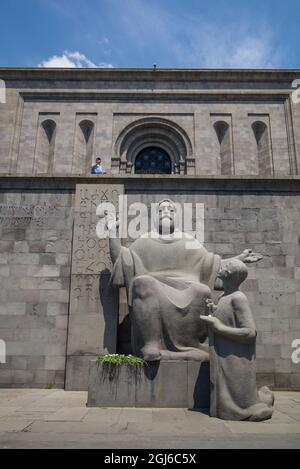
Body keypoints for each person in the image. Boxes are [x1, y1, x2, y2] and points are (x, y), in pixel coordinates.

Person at [106, 199, 262, 362]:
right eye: (161, 210)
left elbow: (211, 267)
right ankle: (151, 345)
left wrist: (239, 259)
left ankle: (189, 344)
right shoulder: (144, 241)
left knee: (202, 290)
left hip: (187, 289)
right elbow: (123, 263)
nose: (165, 212)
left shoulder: (189, 241)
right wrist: (112, 233)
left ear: (177, 216)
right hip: (153, 291)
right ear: (155, 217)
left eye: (170, 210)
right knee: (143, 283)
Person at [200, 259, 274, 421]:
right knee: (226, 400)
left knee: (238, 400)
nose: (222, 266)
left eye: (226, 266)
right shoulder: (223, 297)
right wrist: (213, 311)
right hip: (225, 357)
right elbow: (225, 319)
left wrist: (218, 327)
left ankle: (257, 406)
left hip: (237, 360)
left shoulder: (238, 298)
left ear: (231, 274)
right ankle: (260, 400)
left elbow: (250, 333)